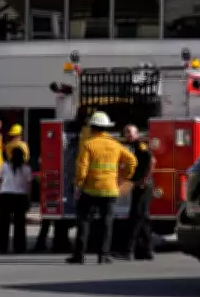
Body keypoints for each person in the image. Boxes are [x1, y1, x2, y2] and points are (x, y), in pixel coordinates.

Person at [66, 111, 137, 265]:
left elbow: (82, 168)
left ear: (92, 128)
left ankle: (79, 255)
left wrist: (79, 184)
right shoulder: (116, 145)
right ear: (106, 128)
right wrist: (124, 177)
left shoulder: (88, 144)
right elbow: (132, 161)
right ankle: (103, 255)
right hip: (110, 190)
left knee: (84, 222)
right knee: (107, 223)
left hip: (91, 189)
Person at [117, 124, 155, 260]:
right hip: (138, 185)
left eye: (130, 132)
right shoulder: (132, 147)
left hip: (144, 186)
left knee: (135, 217)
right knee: (143, 219)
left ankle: (128, 251)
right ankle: (148, 251)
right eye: (126, 132)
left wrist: (144, 179)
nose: (128, 135)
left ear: (137, 133)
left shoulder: (140, 145)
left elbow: (151, 160)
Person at [0, 147, 32, 253]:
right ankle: (19, 247)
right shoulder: (26, 168)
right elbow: (29, 186)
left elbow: (0, 182)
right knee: (20, 224)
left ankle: (2, 247)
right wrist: (29, 199)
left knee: (3, 224)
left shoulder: (5, 166)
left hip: (5, 196)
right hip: (20, 197)